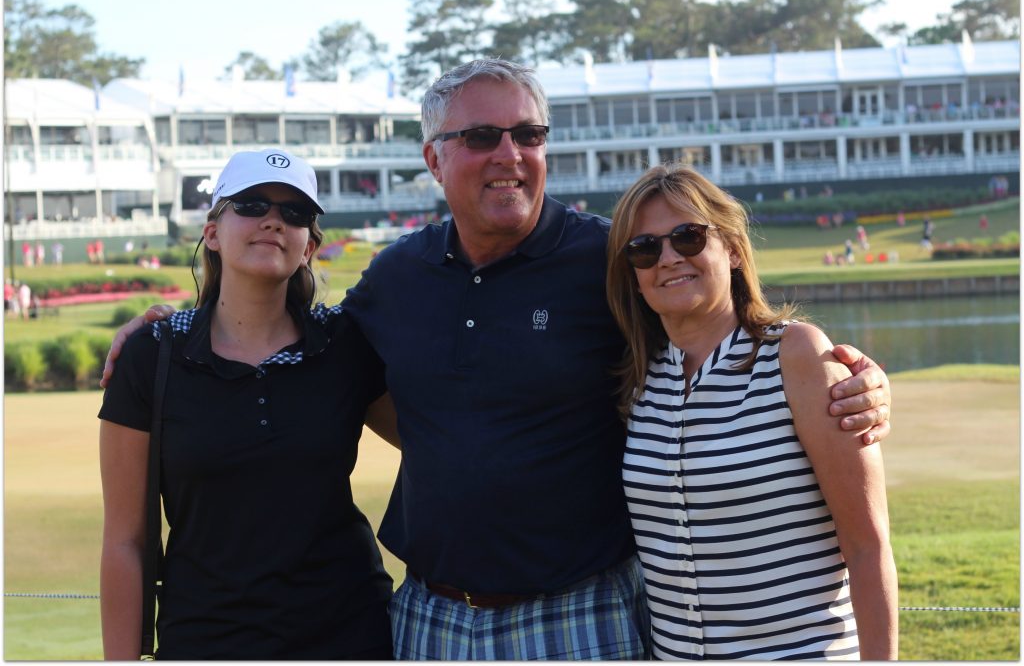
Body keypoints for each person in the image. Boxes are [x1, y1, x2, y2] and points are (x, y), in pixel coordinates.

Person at [104, 59, 892, 661]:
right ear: (435, 158)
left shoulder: (606, 259)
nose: (508, 154)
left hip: (582, 611)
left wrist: (852, 375)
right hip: (433, 617)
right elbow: (298, 336)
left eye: (527, 135)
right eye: (481, 137)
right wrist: (167, 328)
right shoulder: (397, 277)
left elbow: (713, 307)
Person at [98, 148, 394, 660]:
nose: (274, 220)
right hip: (205, 641)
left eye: (294, 213)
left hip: (348, 636)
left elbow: (436, 445)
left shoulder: (347, 345)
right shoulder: (152, 354)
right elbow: (125, 539)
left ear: (309, 246)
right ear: (212, 232)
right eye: (252, 205)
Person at [607, 164, 898, 659]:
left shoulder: (796, 356)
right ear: (634, 277)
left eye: (689, 237)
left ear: (735, 250)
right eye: (645, 249)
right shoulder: (639, 381)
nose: (669, 257)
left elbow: (868, 549)